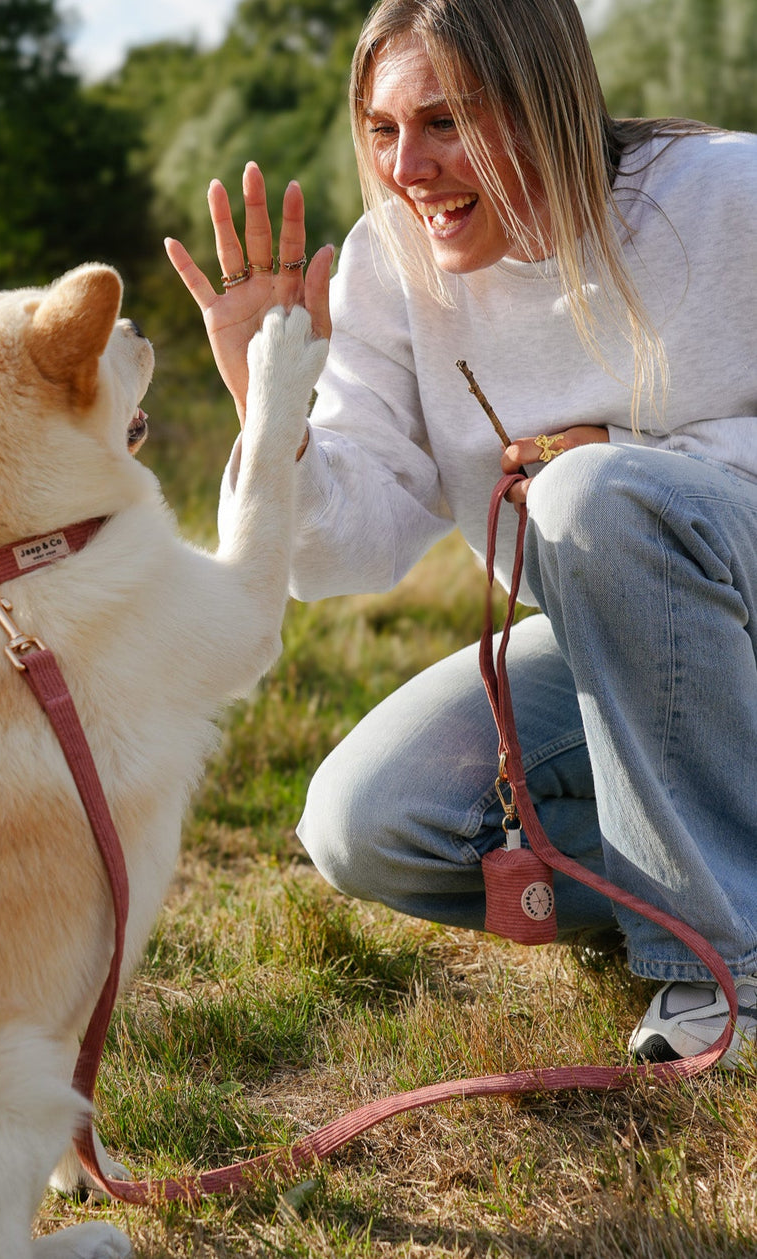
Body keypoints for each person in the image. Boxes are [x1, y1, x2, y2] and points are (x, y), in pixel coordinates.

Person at [165, 0, 757, 1069]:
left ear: (544, 102)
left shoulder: (728, 196)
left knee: (595, 495)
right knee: (372, 819)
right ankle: (704, 886)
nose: (408, 169)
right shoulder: (391, 267)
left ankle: (725, 972)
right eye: (383, 130)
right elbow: (337, 553)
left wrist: (631, 458)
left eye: (446, 121)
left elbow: (615, 496)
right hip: (617, 646)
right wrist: (274, 406)